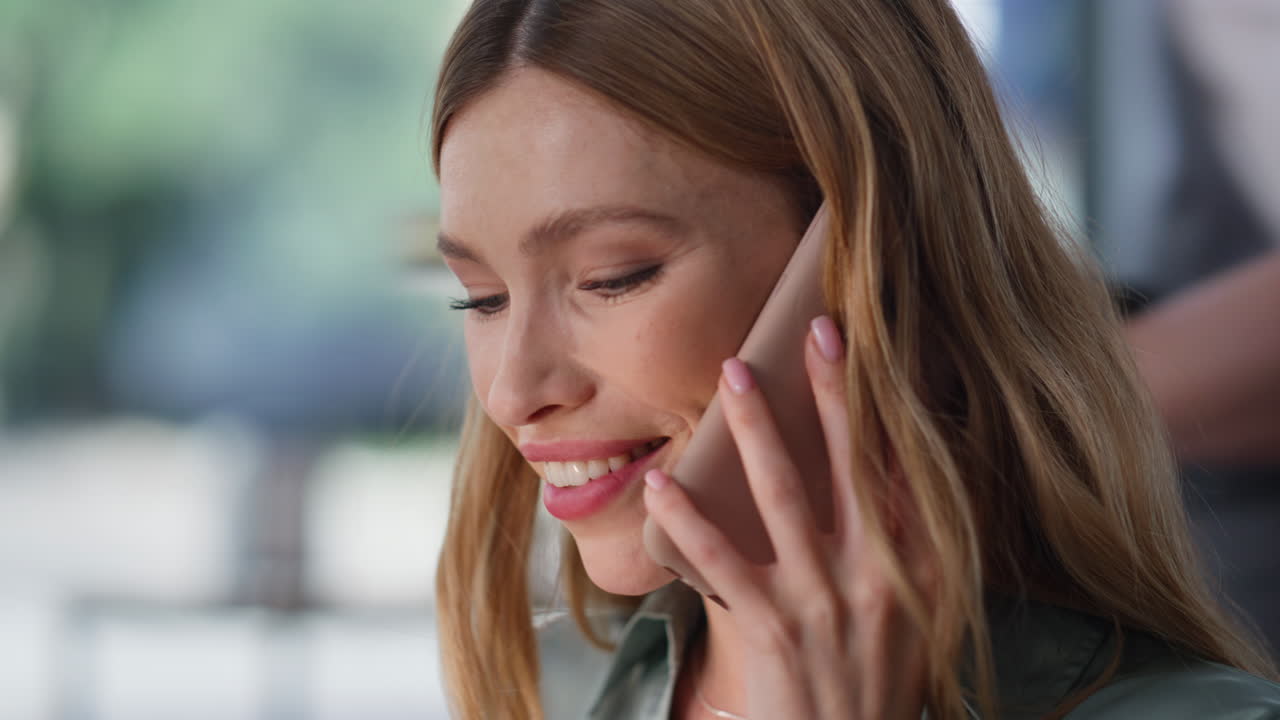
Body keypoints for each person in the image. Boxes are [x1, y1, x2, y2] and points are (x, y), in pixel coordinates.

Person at [428, 1, 1280, 718]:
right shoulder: (552, 687)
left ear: (865, 260)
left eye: (615, 278)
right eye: (483, 298)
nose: (513, 393)